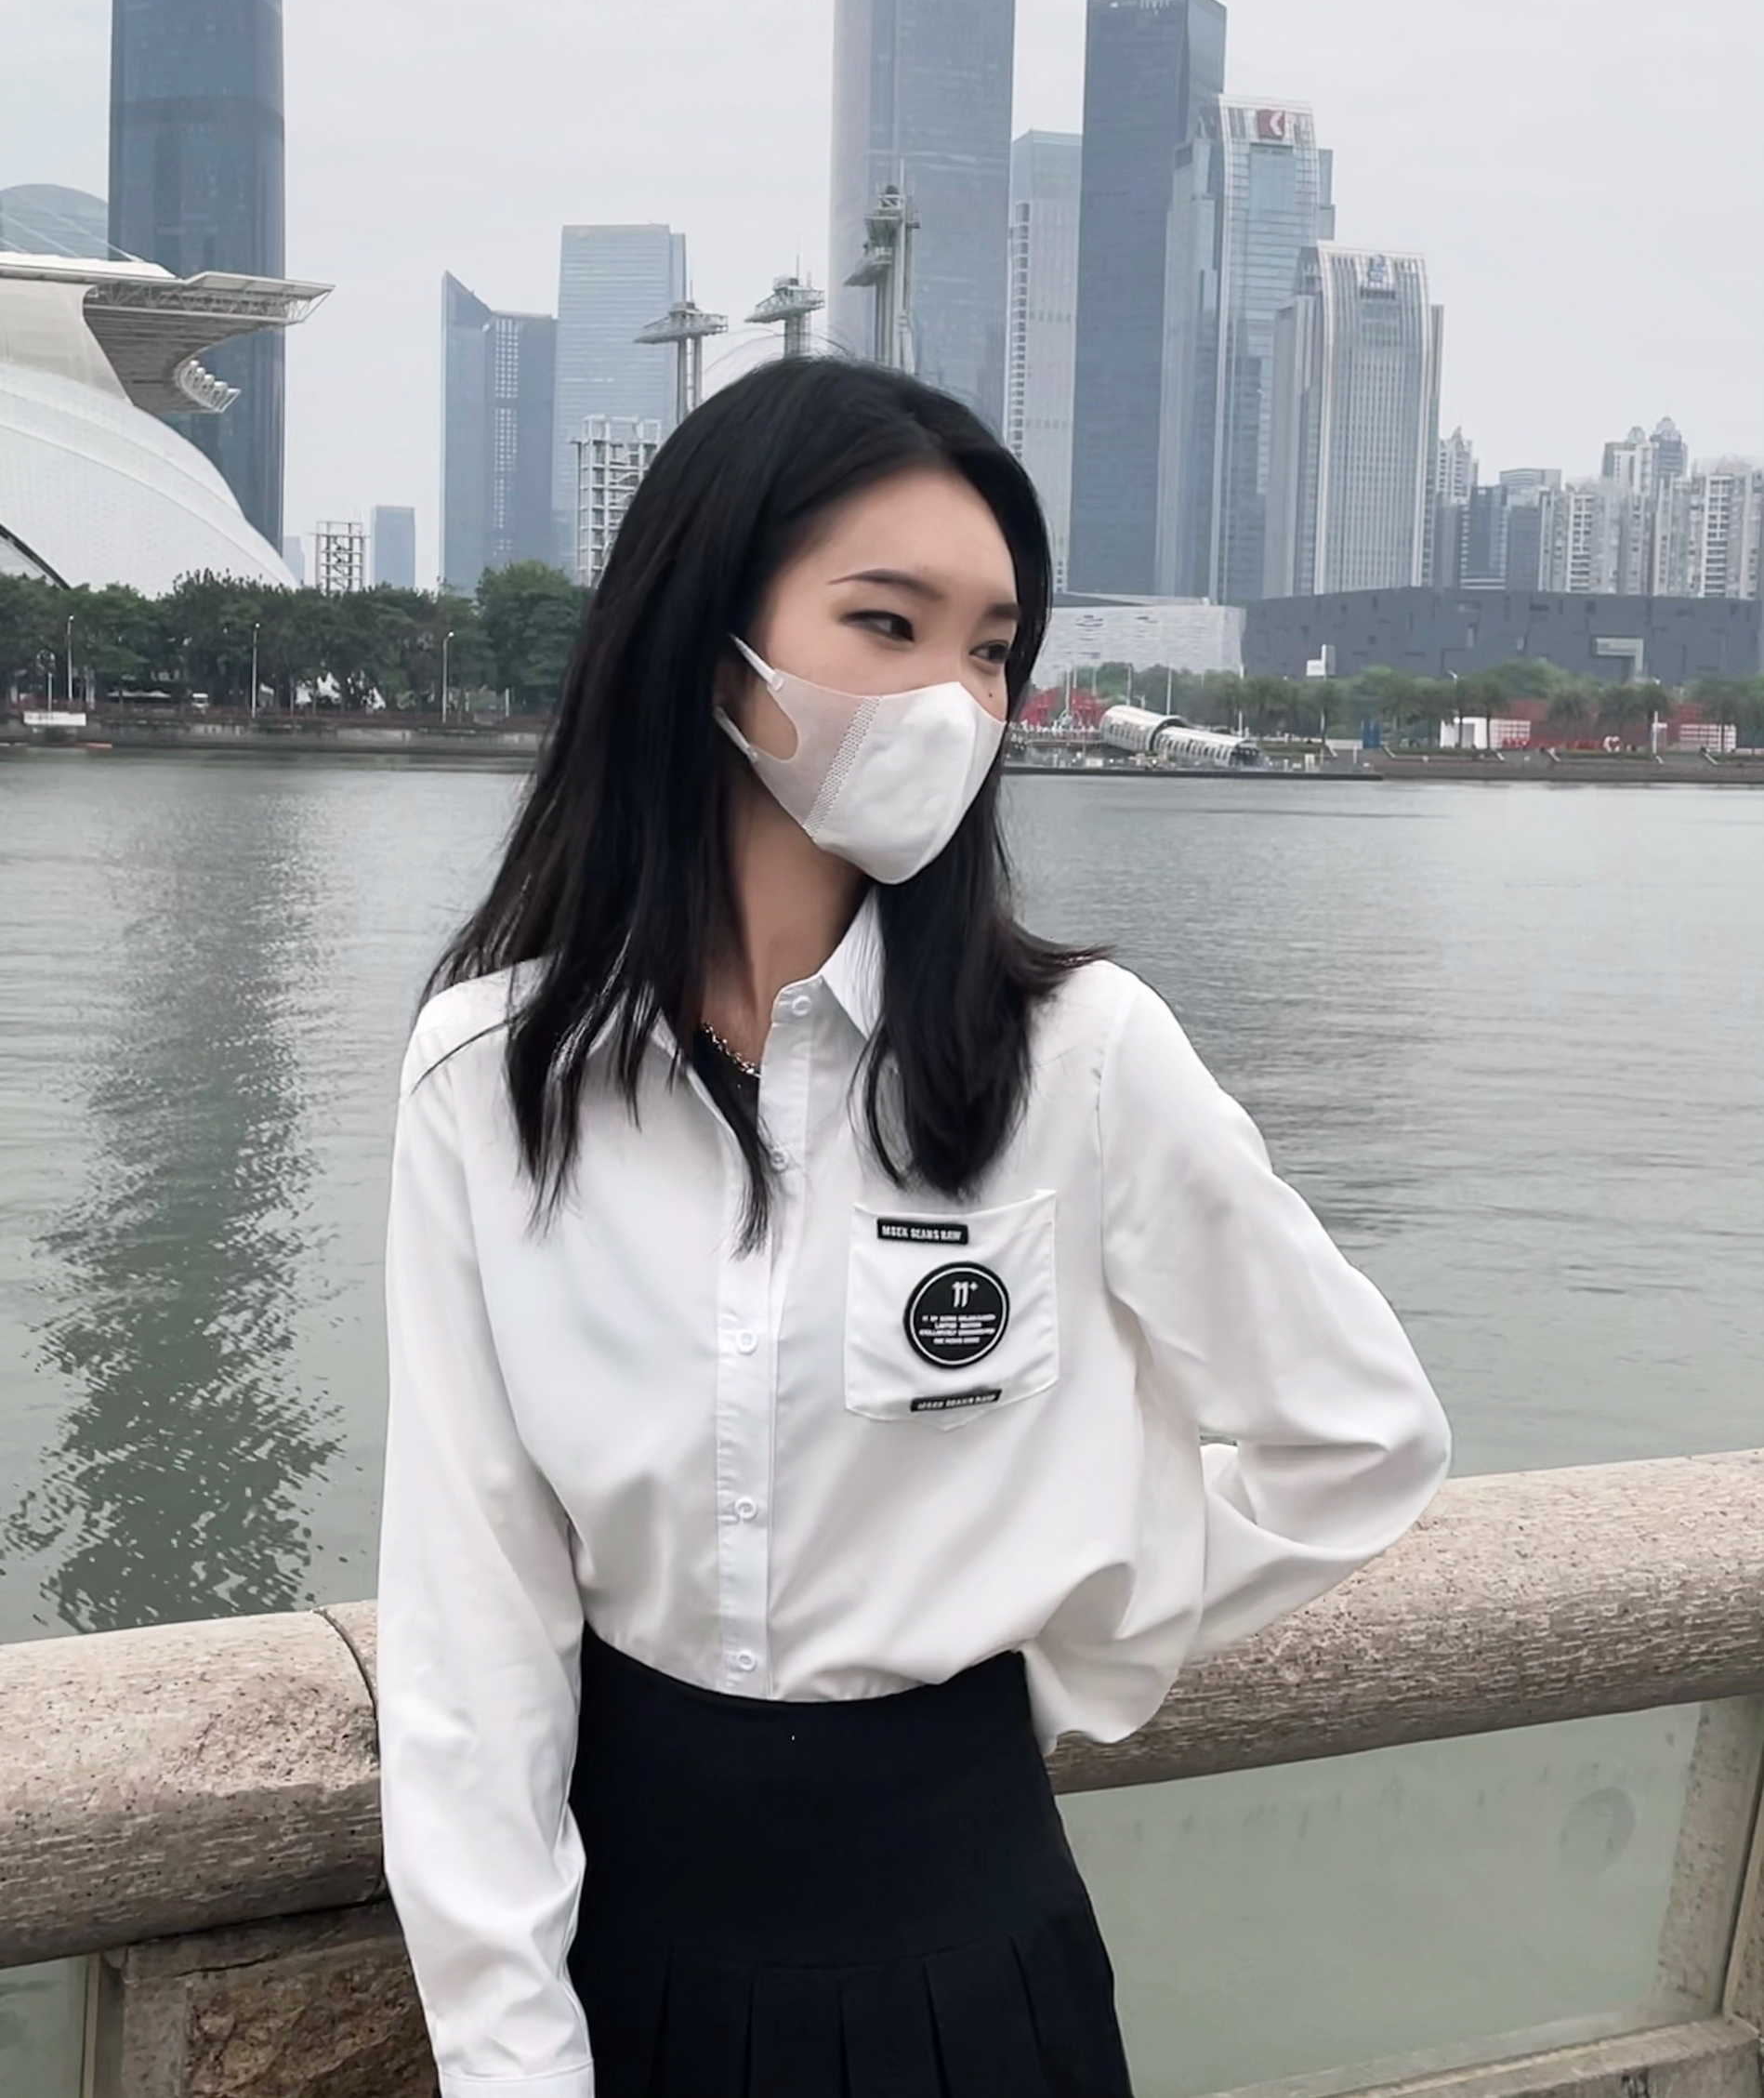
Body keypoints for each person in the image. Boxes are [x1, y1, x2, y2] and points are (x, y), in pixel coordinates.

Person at [375, 356, 1452, 2098]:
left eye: (990, 649)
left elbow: (1359, 1439)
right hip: (624, 1941)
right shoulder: (492, 1079)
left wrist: (1071, 1632)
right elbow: (470, 1612)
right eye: (886, 623)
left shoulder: (1076, 1057)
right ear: (704, 637)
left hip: (970, 1951)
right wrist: (509, 2055)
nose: (951, 700)